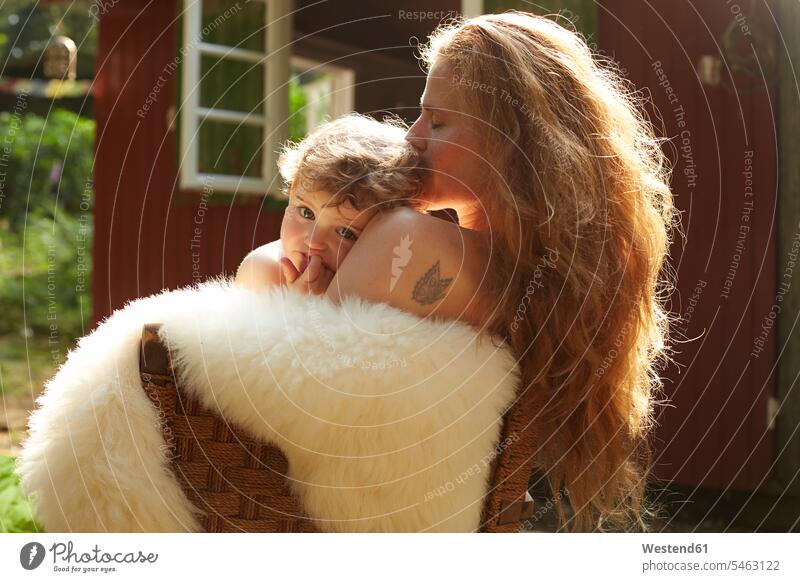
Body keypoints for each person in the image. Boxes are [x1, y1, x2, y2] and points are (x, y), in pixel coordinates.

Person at [238, 12, 677, 532]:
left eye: (436, 121)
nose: (412, 137)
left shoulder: (408, 238)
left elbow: (290, 380)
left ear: (508, 142)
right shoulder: (534, 276)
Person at [235, 113, 423, 295]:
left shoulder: (384, 281)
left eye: (346, 233)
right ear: (292, 192)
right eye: (307, 213)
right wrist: (309, 306)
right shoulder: (265, 270)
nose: (314, 241)